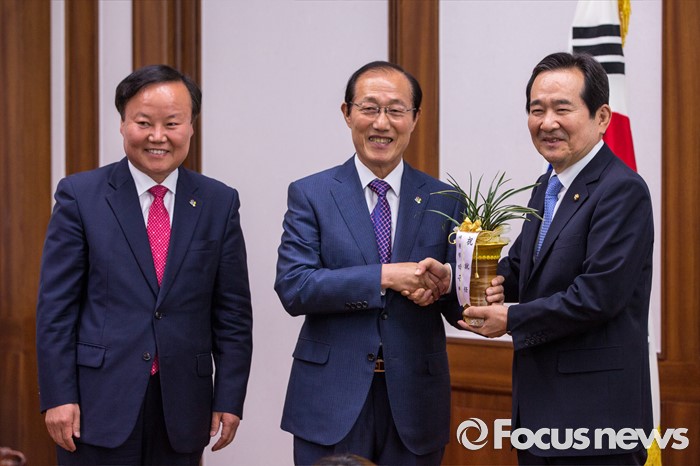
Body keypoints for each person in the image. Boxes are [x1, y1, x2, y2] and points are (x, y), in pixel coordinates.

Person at [274, 61, 502, 465]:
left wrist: (456, 286)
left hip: (415, 400)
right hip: (331, 397)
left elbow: (457, 307)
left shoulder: (444, 199)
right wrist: (385, 276)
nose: (382, 123)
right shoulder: (312, 194)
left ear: (414, 118)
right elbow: (295, 287)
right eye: (369, 108)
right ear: (347, 113)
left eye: (396, 110)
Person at [36, 64, 253, 465]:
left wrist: (229, 396)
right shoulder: (80, 196)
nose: (158, 136)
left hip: (183, 405)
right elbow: (56, 309)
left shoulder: (219, 202)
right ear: (122, 124)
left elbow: (233, 313)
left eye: (172, 123)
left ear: (191, 127)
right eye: (143, 122)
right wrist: (58, 395)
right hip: (95, 403)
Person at [462, 52, 654, 465]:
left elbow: (597, 296)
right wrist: (460, 276)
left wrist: (511, 319)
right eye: (537, 110)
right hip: (539, 415)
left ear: (602, 117)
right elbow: (521, 271)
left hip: (596, 423)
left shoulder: (622, 190)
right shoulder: (547, 185)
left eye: (562, 109)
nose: (547, 122)